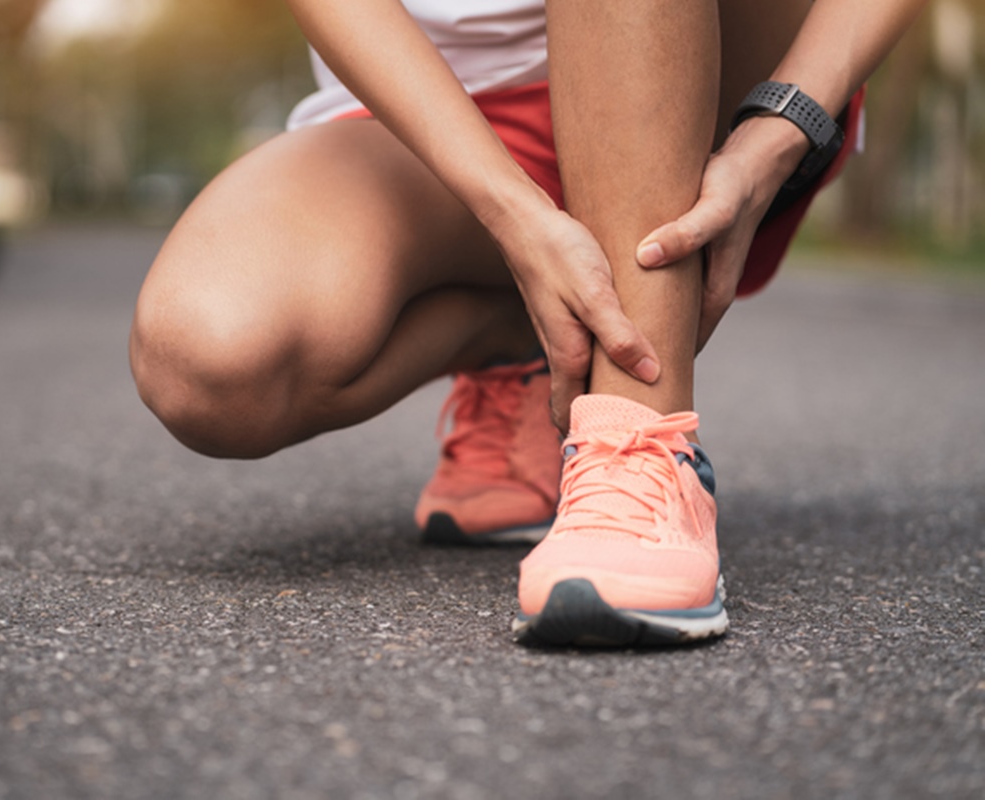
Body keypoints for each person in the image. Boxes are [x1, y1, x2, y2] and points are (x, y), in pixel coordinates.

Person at [129, 0, 927, 647]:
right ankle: (530, 344)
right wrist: (510, 212)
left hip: (716, 76)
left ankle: (637, 442)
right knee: (207, 360)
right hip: (437, 110)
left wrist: (788, 119)